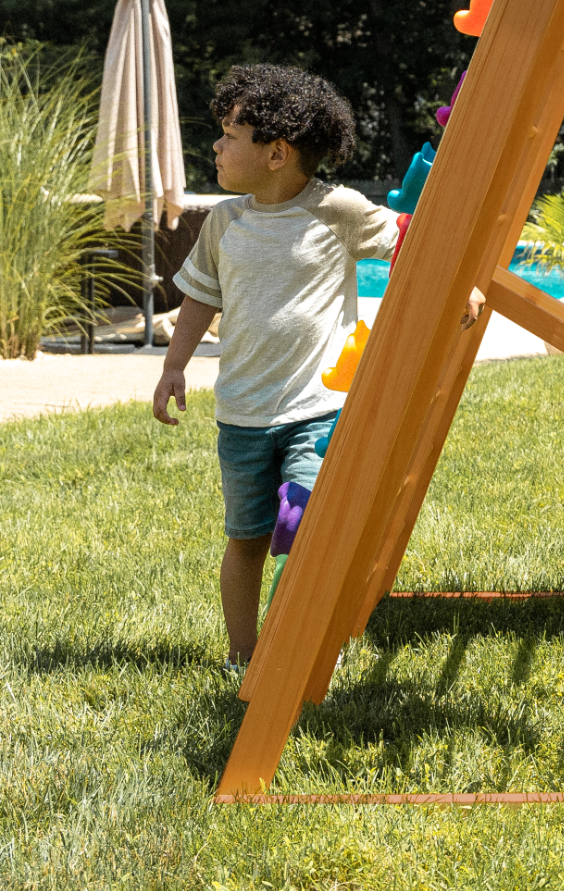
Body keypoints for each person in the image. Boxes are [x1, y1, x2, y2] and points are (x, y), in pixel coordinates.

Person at [150, 66, 454, 670]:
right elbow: (200, 299)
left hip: (315, 408)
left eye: (230, 135)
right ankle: (244, 653)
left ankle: (304, 640)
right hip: (241, 414)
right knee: (247, 540)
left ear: (277, 153)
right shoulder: (223, 223)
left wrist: (459, 283)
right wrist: (173, 367)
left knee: (307, 520)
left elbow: (409, 240)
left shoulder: (335, 210)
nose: (215, 145)